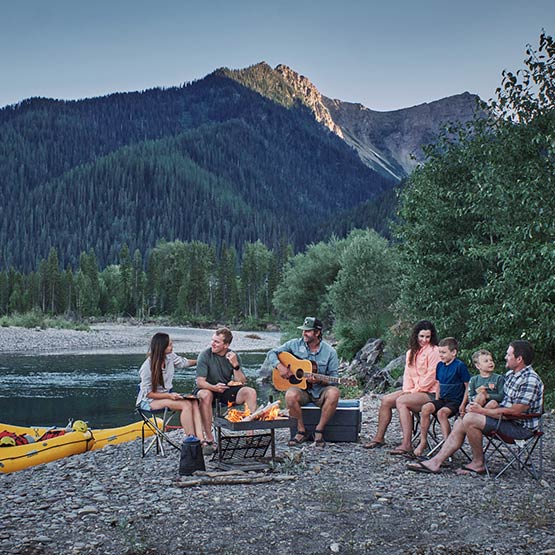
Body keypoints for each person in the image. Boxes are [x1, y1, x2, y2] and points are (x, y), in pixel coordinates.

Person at [407, 340, 544, 475]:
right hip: (505, 420)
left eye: (508, 355)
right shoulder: (511, 375)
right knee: (461, 421)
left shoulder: (530, 380)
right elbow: (500, 400)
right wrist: (481, 402)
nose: (505, 357)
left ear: (519, 359)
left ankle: (478, 463)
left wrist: (483, 411)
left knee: (471, 419)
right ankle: (436, 461)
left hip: (520, 428)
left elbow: (516, 410)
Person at [363, 320, 440, 453]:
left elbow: (431, 377)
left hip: (430, 393)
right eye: (422, 336)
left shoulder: (435, 351)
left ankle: (406, 443)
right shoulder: (411, 352)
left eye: (428, 337)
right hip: (414, 390)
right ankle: (379, 438)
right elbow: (408, 374)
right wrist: (408, 390)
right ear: (416, 335)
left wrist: (412, 392)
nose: (424, 340)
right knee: (386, 400)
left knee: (402, 401)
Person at [267, 316, 340, 448]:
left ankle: (319, 430)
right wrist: (280, 366)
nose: (304, 333)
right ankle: (301, 431)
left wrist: (320, 380)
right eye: (303, 330)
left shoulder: (330, 352)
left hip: (320, 390)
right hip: (301, 390)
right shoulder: (294, 344)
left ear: (317, 333)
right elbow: (272, 353)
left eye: (308, 331)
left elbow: (334, 377)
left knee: (334, 393)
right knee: (290, 395)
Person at [195, 327, 257, 452]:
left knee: (250, 392)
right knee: (206, 394)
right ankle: (210, 439)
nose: (212, 343)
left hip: (224, 390)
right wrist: (214, 387)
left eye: (217, 342)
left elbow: (242, 381)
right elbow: (200, 382)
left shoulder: (233, 355)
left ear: (226, 345)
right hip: (207, 388)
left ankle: (250, 436)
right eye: (213, 340)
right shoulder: (205, 355)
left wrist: (235, 365)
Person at [136, 332, 203, 440]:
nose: (172, 347)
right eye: (169, 345)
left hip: (165, 396)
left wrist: (201, 361)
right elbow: (148, 393)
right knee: (185, 405)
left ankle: (201, 439)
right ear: (161, 347)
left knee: (193, 402)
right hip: (148, 401)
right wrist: (169, 396)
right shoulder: (146, 367)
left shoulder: (169, 357)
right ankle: (191, 439)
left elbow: (183, 363)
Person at [413, 337, 470, 457]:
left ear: (453, 352)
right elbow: (438, 384)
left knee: (441, 413)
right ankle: (423, 441)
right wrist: (437, 399)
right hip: (443, 399)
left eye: (444, 352)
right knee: (426, 408)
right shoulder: (440, 365)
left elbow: (467, 387)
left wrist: (463, 404)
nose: (441, 355)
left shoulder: (460, 366)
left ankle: (447, 445)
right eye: (440, 352)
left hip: (455, 401)